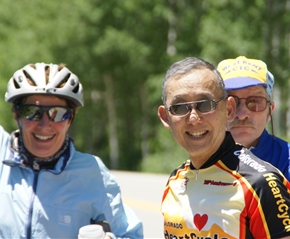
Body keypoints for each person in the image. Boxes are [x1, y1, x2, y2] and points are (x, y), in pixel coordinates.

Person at [0, 63, 143, 239]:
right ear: (16, 114)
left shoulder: (92, 173)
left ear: (71, 119)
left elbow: (130, 235)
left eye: (58, 113)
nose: (45, 125)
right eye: (32, 112)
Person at [158, 57, 290, 238]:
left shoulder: (263, 181)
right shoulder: (176, 179)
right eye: (180, 108)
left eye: (254, 102)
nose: (242, 113)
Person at [218, 56, 290, 180]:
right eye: (230, 103)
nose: (241, 114)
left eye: (255, 102)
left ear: (270, 111)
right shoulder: (201, 159)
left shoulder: (286, 160)